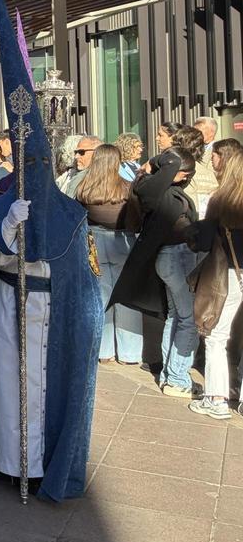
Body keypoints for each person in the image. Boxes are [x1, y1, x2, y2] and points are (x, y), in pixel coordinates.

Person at [0, 0, 101, 502]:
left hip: (47, 313)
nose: (33, 170)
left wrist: (43, 269)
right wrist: (9, 227)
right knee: (7, 387)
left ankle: (39, 466)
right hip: (3, 309)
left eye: (40, 162)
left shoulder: (70, 213)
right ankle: (5, 461)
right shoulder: (0, 203)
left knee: (43, 390)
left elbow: (80, 280)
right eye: (27, 161)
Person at [110, 146, 200, 396]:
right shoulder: (153, 188)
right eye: (184, 173)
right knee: (188, 319)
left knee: (176, 315)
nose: (186, 177)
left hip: (170, 257)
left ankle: (170, 375)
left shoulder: (159, 189)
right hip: (175, 257)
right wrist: (156, 161)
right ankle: (177, 379)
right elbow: (171, 163)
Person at [184, 152, 243, 418]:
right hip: (233, 273)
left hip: (228, 273)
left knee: (216, 335)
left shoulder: (220, 200)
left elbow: (203, 240)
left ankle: (216, 399)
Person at [75, 144, 143, 365]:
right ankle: (130, 354)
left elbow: (77, 217)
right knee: (127, 297)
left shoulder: (84, 187)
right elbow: (136, 218)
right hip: (123, 240)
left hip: (94, 241)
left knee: (100, 297)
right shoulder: (127, 188)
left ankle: (103, 351)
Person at [189, 117, 219, 215]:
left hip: (210, 198)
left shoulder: (219, 150)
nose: (195, 135)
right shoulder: (192, 149)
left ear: (211, 132)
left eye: (198, 131)